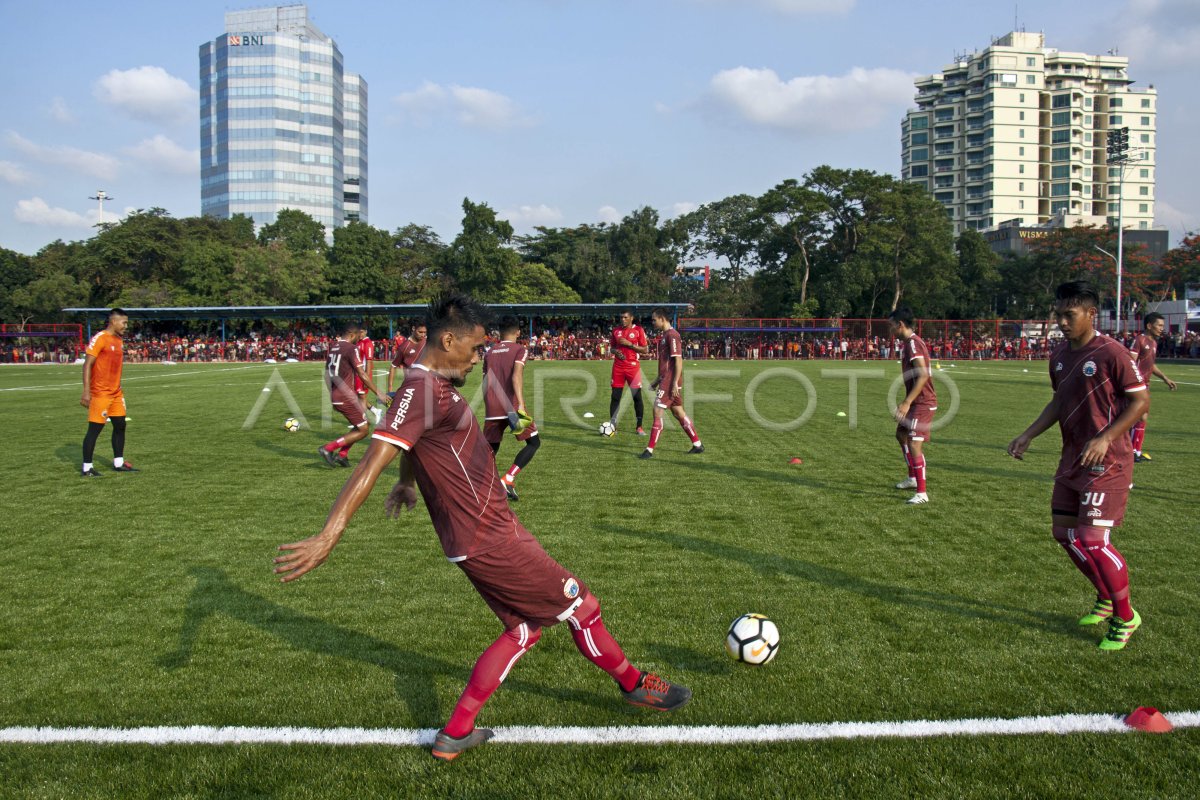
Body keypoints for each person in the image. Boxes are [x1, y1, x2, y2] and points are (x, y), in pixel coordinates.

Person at [275, 295, 691, 762]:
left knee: (523, 631)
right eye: (474, 349)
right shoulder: (424, 390)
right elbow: (372, 460)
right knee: (583, 606)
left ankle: (455, 733)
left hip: (479, 534)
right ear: (447, 340)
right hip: (489, 537)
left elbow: (409, 445)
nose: (478, 358)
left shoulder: (427, 385)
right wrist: (330, 534)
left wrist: (408, 484)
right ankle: (635, 686)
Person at [1007, 281, 1149, 651]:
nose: (1062, 322)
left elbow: (1140, 402)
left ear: (1090, 315)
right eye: (1059, 315)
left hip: (1108, 462)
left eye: (1069, 315)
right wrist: (1029, 434)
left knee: (1092, 540)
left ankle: (1125, 615)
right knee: (1063, 534)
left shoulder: (1112, 353)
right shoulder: (1059, 355)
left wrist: (1105, 437)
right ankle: (1106, 597)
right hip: (1072, 458)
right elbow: (1058, 402)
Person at [483, 316, 539, 502]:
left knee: (490, 449)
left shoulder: (490, 352)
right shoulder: (519, 349)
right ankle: (508, 478)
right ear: (518, 332)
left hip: (492, 407)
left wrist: (489, 405)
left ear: (500, 332)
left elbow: (486, 381)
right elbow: (516, 376)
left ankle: (480, 486)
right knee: (533, 443)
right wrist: (521, 404)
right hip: (512, 407)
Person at [80, 308, 137, 477]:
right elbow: (87, 364)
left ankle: (118, 463)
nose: (126, 326)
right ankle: (87, 468)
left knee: (120, 425)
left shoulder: (118, 340)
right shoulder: (100, 338)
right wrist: (86, 391)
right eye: (124, 322)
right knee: (95, 429)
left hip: (116, 393)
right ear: (113, 321)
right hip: (100, 393)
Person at [639, 308, 702, 459]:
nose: (652, 322)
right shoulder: (665, 336)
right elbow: (666, 363)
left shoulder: (673, 335)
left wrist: (674, 382)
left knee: (657, 410)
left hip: (670, 380)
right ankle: (697, 444)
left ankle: (649, 450)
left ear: (662, 319)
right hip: (666, 379)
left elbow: (678, 360)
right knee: (678, 412)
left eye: (654, 320)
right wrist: (656, 381)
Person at [319, 322, 384, 467]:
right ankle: (328, 448)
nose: (358, 339)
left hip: (337, 394)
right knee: (363, 430)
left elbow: (326, 375)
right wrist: (379, 393)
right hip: (345, 396)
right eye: (357, 335)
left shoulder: (333, 348)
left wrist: (332, 394)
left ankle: (342, 455)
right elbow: (362, 373)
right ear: (351, 334)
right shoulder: (351, 348)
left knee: (362, 424)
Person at [889, 308, 937, 505]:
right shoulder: (910, 344)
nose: (890, 330)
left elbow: (923, 374)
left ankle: (922, 492)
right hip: (916, 401)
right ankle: (912, 478)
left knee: (915, 443)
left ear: (900, 324)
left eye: (891, 325)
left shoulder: (913, 345)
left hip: (923, 403)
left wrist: (907, 403)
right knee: (901, 435)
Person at [1128, 312, 1177, 462]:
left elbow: (1151, 364)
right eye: (1159, 325)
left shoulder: (1153, 343)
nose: (1162, 328)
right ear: (1149, 325)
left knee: (1141, 418)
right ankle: (1130, 451)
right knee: (1136, 417)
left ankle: (1136, 451)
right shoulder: (1139, 340)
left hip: (1145, 385)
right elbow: (1130, 361)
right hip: (1137, 386)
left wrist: (1165, 378)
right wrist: (1133, 382)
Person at [608, 310, 649, 435]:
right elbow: (612, 348)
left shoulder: (638, 330)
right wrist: (616, 352)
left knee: (637, 397)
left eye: (625, 317)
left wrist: (630, 344)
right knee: (615, 397)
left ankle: (639, 427)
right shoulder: (615, 331)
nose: (623, 319)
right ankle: (613, 425)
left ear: (631, 318)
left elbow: (645, 350)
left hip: (633, 367)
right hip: (618, 367)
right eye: (621, 317)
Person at [388, 323, 426, 393]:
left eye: (424, 332)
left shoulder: (427, 342)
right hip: (410, 386)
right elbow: (393, 366)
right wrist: (390, 389)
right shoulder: (404, 347)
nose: (423, 335)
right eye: (420, 332)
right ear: (413, 329)